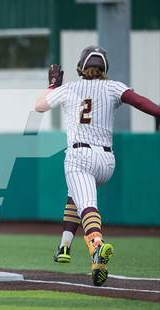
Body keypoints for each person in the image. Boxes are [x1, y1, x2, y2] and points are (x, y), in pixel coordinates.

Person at [35, 46, 160, 286]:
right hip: (106, 162)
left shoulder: (68, 88)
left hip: (79, 155)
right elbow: (142, 103)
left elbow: (39, 106)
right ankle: (64, 247)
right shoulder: (113, 86)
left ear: (81, 67)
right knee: (77, 195)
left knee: (88, 205)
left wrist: (53, 85)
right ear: (105, 68)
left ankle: (97, 244)